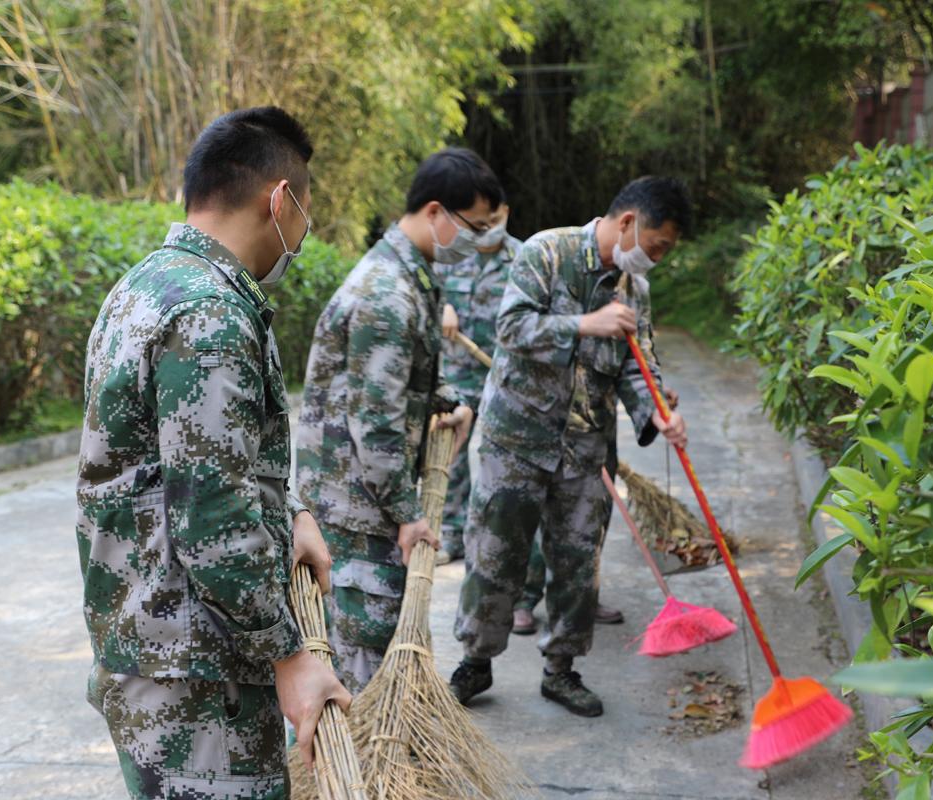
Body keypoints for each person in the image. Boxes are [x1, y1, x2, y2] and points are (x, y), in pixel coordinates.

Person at [76, 107, 351, 800]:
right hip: (196, 676)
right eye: (306, 212)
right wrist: (287, 654)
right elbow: (213, 513)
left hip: (151, 650)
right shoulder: (211, 314)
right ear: (279, 199)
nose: (304, 233)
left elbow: (190, 464)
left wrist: (290, 517)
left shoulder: (143, 287)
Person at [450, 176, 691, 717]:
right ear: (628, 222)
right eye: (657, 247)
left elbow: (638, 363)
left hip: (585, 447)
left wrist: (658, 411)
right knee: (495, 555)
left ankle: (561, 670)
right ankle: (476, 661)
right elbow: (511, 328)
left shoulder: (635, 290)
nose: (656, 260)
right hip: (516, 440)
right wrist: (586, 324)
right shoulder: (547, 252)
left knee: (578, 563)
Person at [296, 148, 498, 692]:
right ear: (436, 212)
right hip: (355, 503)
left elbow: (397, 383)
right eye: (473, 227)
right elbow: (375, 419)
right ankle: (349, 774)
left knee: (367, 648)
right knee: (364, 657)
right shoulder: (387, 294)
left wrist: (445, 400)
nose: (478, 240)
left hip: (367, 493)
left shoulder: (409, 279)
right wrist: (409, 515)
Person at [435, 200, 521, 563]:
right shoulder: (454, 252)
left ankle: (498, 543)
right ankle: (452, 534)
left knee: (504, 459)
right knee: (452, 454)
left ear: (506, 212)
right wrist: (443, 305)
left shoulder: (523, 258)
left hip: (506, 375)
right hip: (458, 372)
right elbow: (426, 289)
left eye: (495, 219)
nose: (488, 226)